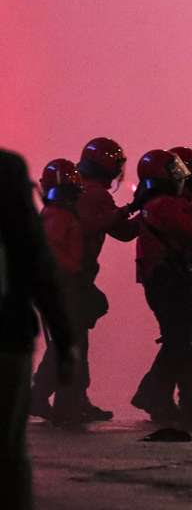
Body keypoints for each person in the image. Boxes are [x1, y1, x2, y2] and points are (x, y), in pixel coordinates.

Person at [31, 138, 136, 422]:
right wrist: (135, 211)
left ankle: (68, 398)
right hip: (71, 280)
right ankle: (54, 399)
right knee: (72, 342)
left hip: (68, 280)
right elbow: (116, 230)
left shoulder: (67, 200)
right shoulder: (94, 196)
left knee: (74, 341)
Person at [130, 150, 192, 421]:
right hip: (168, 280)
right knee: (181, 340)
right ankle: (155, 394)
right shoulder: (163, 205)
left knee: (189, 338)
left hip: (172, 279)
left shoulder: (162, 203)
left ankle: (180, 397)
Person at [0, 149, 74, 510]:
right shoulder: (7, 172)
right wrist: (65, 337)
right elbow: (38, 266)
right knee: (8, 452)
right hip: (6, 336)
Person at [29, 160, 100, 425]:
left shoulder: (55, 215)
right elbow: (54, 256)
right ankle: (61, 403)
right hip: (63, 289)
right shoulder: (59, 217)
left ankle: (57, 400)